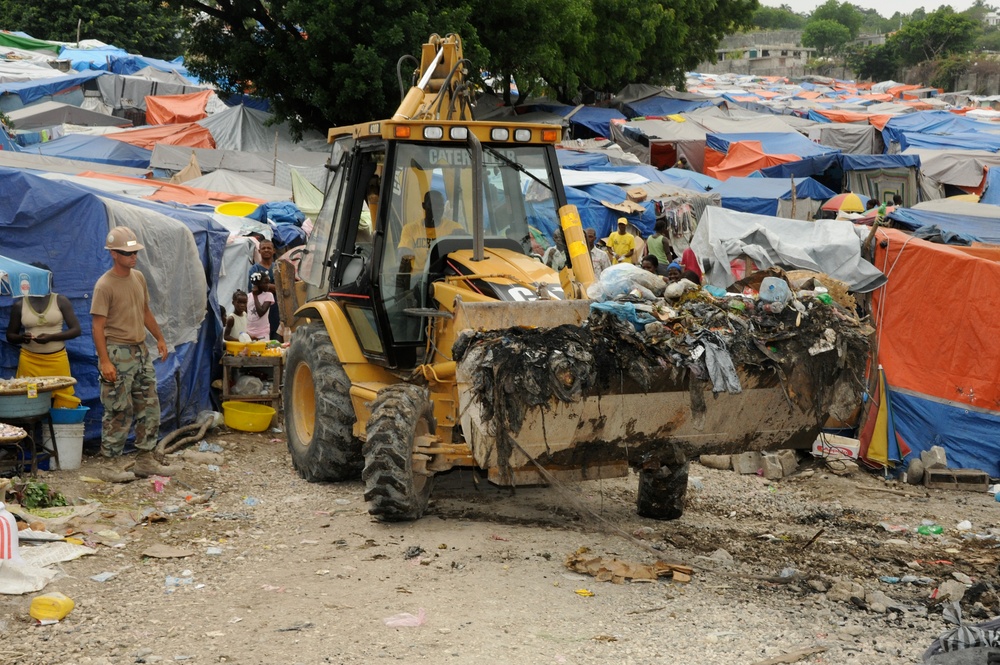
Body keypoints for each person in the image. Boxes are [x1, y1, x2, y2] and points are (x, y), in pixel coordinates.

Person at [90, 227, 172, 481]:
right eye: (127, 252)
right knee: (118, 409)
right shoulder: (104, 285)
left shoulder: (138, 277)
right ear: (114, 254)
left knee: (149, 405)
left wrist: (159, 338)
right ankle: (110, 463)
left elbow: (145, 310)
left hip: (140, 350)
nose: (133, 256)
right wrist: (105, 360)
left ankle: (145, 460)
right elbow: (97, 326)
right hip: (117, 351)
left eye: (135, 252)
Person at [5, 264, 81, 409]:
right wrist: (22, 338)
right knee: (31, 399)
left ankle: (58, 429)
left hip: (57, 359)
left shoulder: (60, 301)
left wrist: (51, 337)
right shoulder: (20, 305)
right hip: (30, 361)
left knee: (62, 399)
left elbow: (76, 330)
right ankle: (33, 430)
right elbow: (10, 335)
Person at [398, 190, 464, 270]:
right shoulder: (410, 229)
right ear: (424, 206)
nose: (438, 208)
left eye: (441, 205)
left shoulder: (454, 228)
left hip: (443, 278)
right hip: (417, 279)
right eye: (433, 205)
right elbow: (403, 255)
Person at [248, 239, 281, 341]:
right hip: (260, 307)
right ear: (259, 251)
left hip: (276, 308)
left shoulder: (278, 267)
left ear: (274, 251)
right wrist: (273, 287)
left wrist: (264, 285)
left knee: (276, 335)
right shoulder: (254, 269)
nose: (266, 250)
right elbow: (254, 288)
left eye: (269, 248)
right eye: (263, 248)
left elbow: (283, 287)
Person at [247, 272, 274, 341]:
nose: (268, 285)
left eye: (268, 283)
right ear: (257, 284)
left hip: (262, 333)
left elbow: (261, 312)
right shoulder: (248, 296)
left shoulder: (268, 295)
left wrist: (255, 296)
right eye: (265, 283)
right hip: (249, 333)